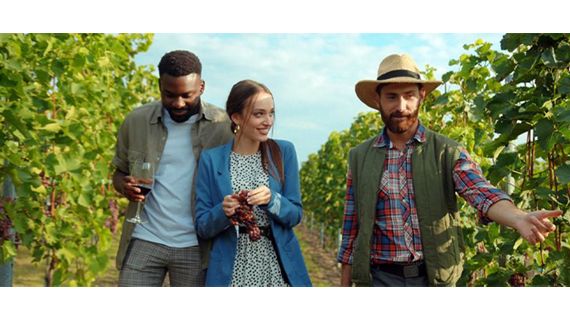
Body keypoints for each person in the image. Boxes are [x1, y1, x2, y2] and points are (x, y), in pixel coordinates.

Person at [338, 53, 562, 287]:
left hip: (435, 279)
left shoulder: (447, 152)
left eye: (409, 96)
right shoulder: (360, 157)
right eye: (392, 97)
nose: (401, 106)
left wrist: (518, 218)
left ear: (421, 96)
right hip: (379, 280)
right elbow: (351, 227)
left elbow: (479, 191)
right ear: (378, 99)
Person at [112, 50, 233, 286]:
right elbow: (118, 173)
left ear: (202, 87)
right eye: (169, 95)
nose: (178, 103)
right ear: (159, 86)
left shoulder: (224, 126)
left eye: (186, 95)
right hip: (144, 238)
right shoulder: (136, 121)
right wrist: (123, 186)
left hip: (197, 245)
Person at [194, 80, 311, 286]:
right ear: (236, 117)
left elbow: (295, 215)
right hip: (231, 269)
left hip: (276, 266)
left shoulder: (284, 152)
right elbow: (202, 226)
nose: (268, 121)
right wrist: (224, 211)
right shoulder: (211, 159)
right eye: (259, 114)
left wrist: (272, 199)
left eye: (271, 113)